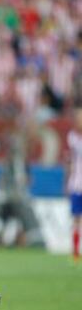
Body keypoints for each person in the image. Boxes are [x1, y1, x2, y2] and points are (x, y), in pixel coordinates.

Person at [66, 107, 82, 261]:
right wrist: (67, 182)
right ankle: (76, 252)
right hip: (77, 185)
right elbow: (69, 161)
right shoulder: (72, 138)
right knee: (76, 219)